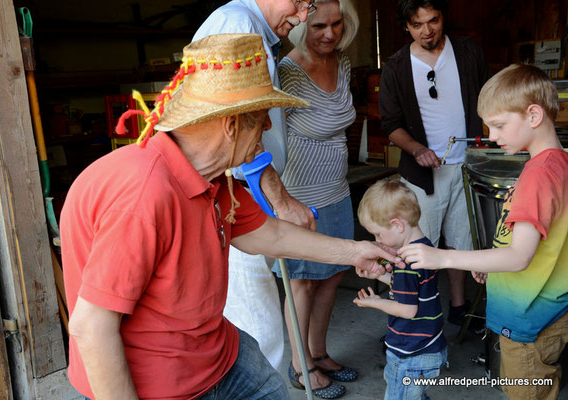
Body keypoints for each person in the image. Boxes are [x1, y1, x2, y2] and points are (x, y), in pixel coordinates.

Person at [61, 33, 401, 400]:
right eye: (261, 119)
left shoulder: (212, 177)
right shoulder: (143, 193)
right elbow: (92, 327)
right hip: (158, 385)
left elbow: (271, 235)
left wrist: (355, 252)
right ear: (230, 125)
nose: (269, 128)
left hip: (217, 353)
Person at [399, 63, 567, 400]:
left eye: (499, 125)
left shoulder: (537, 176)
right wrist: (489, 261)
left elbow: (519, 256)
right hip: (550, 310)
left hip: (528, 321)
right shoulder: (557, 162)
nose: (491, 135)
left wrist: (443, 257)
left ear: (533, 116)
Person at [193, 0, 318, 371]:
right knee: (260, 335)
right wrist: (281, 199)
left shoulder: (252, 27)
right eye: (298, 2)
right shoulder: (238, 24)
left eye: (309, 5)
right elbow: (239, 121)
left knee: (261, 331)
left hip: (245, 193)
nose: (302, 17)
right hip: (235, 194)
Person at [378, 0, 491, 330]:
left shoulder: (468, 51)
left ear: (443, 18)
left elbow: (487, 97)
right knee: (417, 248)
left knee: (460, 243)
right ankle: (415, 318)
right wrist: (416, 150)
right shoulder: (397, 66)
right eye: (418, 25)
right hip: (422, 174)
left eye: (434, 21)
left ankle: (458, 306)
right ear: (406, 27)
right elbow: (391, 124)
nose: (427, 30)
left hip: (466, 167)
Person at [270, 0, 359, 396]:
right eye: (320, 25)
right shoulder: (286, 72)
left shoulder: (343, 63)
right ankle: (299, 364)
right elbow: (268, 141)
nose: (329, 33)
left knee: (333, 274)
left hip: (337, 189)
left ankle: (319, 353)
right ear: (303, 23)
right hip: (300, 196)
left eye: (337, 24)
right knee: (303, 282)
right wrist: (279, 199)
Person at [353, 179, 447, 400]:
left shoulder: (405, 262)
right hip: (429, 346)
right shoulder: (424, 249)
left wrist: (373, 302)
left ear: (397, 225)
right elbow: (413, 291)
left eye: (377, 234)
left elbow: (406, 309)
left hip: (410, 354)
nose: (377, 241)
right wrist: (381, 275)